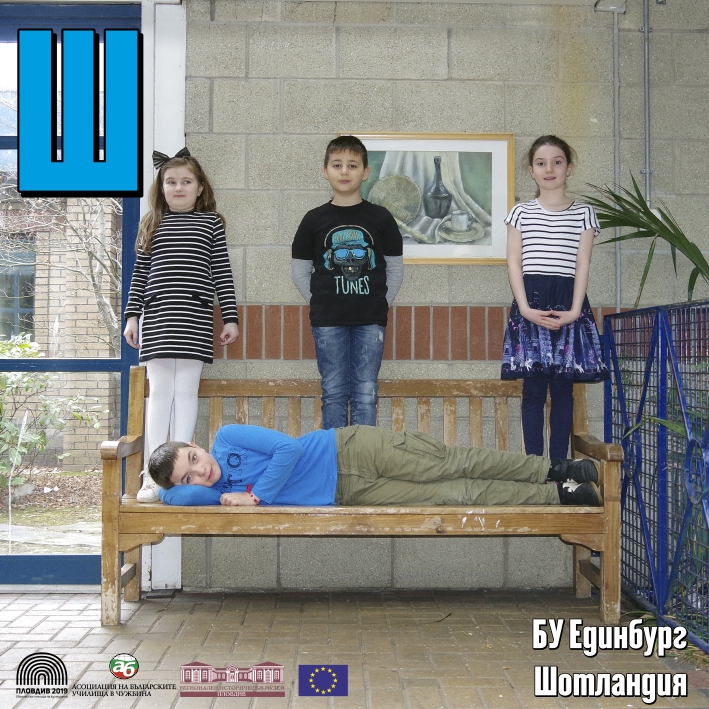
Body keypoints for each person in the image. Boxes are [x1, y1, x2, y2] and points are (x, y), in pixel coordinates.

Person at [124, 149, 239, 503]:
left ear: (200, 187)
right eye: (171, 182)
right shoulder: (152, 222)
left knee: (186, 392)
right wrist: (132, 316)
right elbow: (140, 274)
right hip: (158, 316)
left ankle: (178, 476)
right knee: (160, 392)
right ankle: (152, 477)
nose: (178, 188)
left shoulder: (211, 223)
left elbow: (222, 272)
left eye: (186, 182)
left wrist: (230, 317)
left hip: (195, 317)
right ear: (161, 187)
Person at [147, 424, 602, 508]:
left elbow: (287, 449)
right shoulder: (211, 494)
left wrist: (256, 496)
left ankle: (553, 469)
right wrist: (159, 489)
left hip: (351, 449)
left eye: (193, 458)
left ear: (196, 444)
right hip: (349, 493)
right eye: (188, 475)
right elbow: (177, 498)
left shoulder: (227, 438)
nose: (199, 472)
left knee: (451, 464)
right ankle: (558, 495)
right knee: (454, 492)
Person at [502, 135, 608, 460]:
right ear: (531, 170)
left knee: (563, 392)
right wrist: (524, 308)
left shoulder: (584, 213)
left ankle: (560, 469)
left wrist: (575, 311)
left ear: (569, 168)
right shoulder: (520, 212)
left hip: (568, 304)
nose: (549, 169)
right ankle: (535, 469)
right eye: (541, 163)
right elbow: (514, 262)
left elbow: (583, 263)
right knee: (533, 391)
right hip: (530, 303)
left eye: (557, 162)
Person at [291, 135, 404, 430]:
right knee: (333, 392)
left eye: (352, 165)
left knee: (366, 392)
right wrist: (322, 302)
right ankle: (335, 454)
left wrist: (380, 304)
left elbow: (395, 269)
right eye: (337, 165)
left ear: (365, 172)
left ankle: (362, 456)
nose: (344, 171)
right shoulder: (313, 220)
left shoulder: (381, 218)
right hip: (327, 322)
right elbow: (300, 272)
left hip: (371, 320)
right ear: (325, 170)